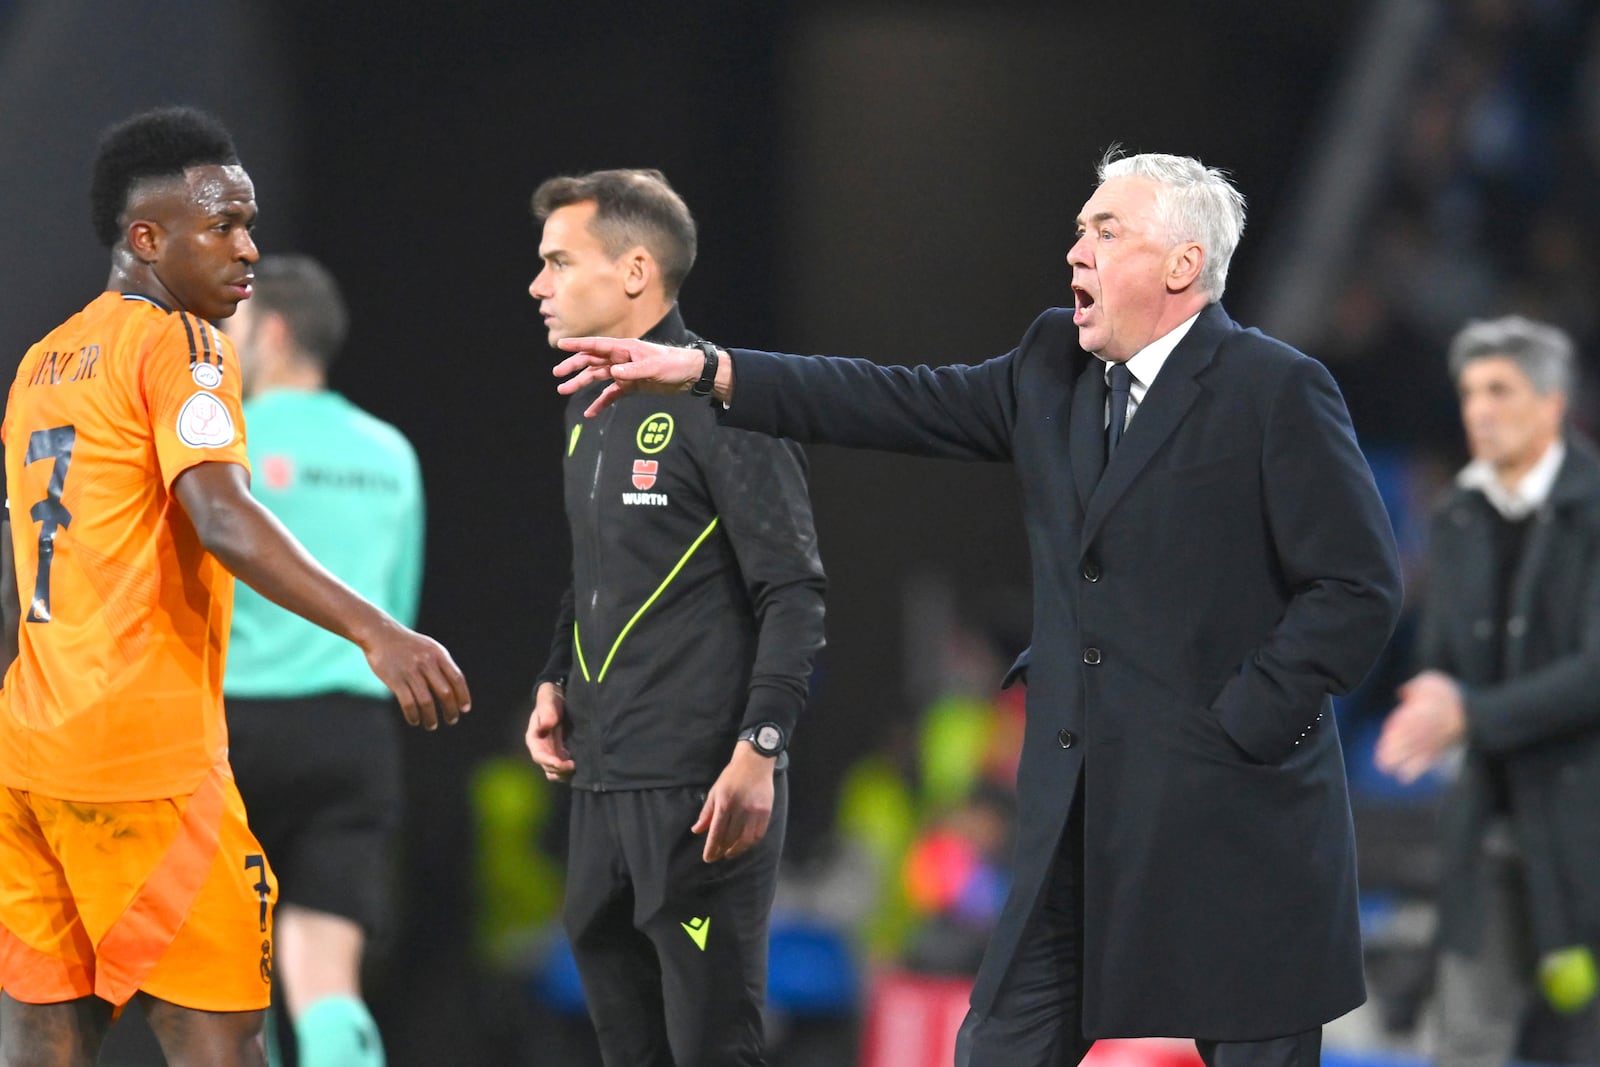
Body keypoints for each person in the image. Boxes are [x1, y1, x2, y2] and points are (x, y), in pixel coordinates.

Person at [552, 150, 1404, 1067]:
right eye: (1079, 228)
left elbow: (1357, 587)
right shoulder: (1052, 366)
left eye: (1103, 230)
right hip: (1078, 815)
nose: (1074, 250)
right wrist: (712, 372)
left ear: (1182, 265)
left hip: (1232, 822)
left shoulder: (1274, 389)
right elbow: (893, 398)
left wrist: (1240, 724)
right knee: (995, 1052)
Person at [0, 107, 469, 1067]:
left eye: (248, 223)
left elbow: (22, 571)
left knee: (44, 1034)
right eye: (223, 226)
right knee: (221, 1038)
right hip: (151, 759)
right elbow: (221, 515)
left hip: (33, 750)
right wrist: (378, 630)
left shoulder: (41, 364)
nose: (248, 249)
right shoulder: (183, 345)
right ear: (147, 239)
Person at [523, 168, 826, 1066]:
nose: (538, 285)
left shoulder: (726, 402)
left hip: (701, 791)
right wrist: (552, 675)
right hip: (600, 786)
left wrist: (759, 749)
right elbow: (598, 570)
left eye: (556, 261)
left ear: (634, 272)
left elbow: (795, 590)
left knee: (711, 1047)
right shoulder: (587, 404)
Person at [1375, 316, 1600, 1067]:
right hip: (1487, 833)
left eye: (1499, 390)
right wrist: (1433, 692)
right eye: (1471, 392)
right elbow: (1442, 651)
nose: (1480, 409)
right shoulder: (1461, 516)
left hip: (1581, 837)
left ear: (1550, 402)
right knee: (1466, 1047)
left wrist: (1469, 712)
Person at [221, 254, 424, 1067]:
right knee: (327, 982)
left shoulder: (223, 447)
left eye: (231, 330)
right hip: (352, 733)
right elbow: (396, 612)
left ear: (270, 331)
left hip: (234, 734)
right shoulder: (391, 451)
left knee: (232, 987)